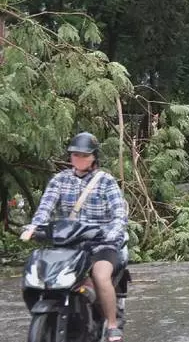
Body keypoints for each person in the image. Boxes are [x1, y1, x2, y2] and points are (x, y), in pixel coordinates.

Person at [20, 132, 128, 342]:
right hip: (68, 244)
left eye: (84, 155)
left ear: (94, 157)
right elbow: (45, 209)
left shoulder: (106, 181)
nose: (78, 159)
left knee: (100, 275)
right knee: (39, 273)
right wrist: (34, 228)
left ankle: (113, 326)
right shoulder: (60, 180)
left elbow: (118, 215)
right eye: (74, 155)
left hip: (100, 243)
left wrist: (112, 233)